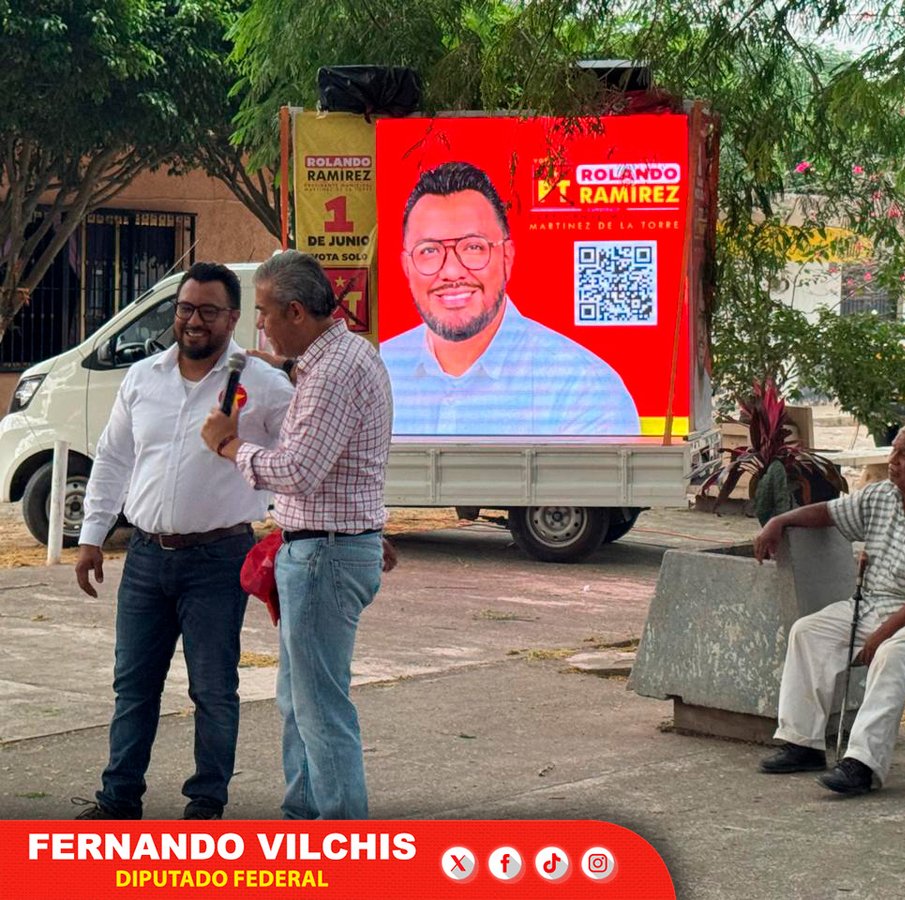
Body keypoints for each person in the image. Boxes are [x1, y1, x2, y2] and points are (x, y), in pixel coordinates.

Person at [73, 262, 294, 820]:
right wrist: (92, 535)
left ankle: (205, 802)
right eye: (186, 309)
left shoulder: (263, 387)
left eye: (208, 311)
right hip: (146, 556)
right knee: (133, 688)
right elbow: (114, 458)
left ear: (234, 318)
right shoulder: (143, 376)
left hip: (219, 558)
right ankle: (118, 799)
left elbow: (303, 461)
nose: (194, 321)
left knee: (213, 690)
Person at [201, 249, 395, 820]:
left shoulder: (333, 372)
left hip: (324, 556)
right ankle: (306, 819)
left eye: (261, 312)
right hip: (323, 550)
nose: (257, 326)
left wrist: (229, 444)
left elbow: (298, 470)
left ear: (294, 311)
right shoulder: (338, 358)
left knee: (319, 710)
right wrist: (283, 368)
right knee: (298, 702)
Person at [753, 421, 905, 796]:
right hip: (876, 605)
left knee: (891, 654)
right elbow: (828, 512)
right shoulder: (882, 496)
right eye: (894, 451)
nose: (893, 461)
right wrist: (780, 520)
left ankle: (862, 763)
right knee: (808, 632)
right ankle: (802, 743)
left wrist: (884, 632)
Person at [379, 161, 641, 436]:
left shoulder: (583, 389)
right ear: (406, 266)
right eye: (429, 250)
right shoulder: (378, 369)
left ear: (507, 257)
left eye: (473, 247)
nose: (452, 271)